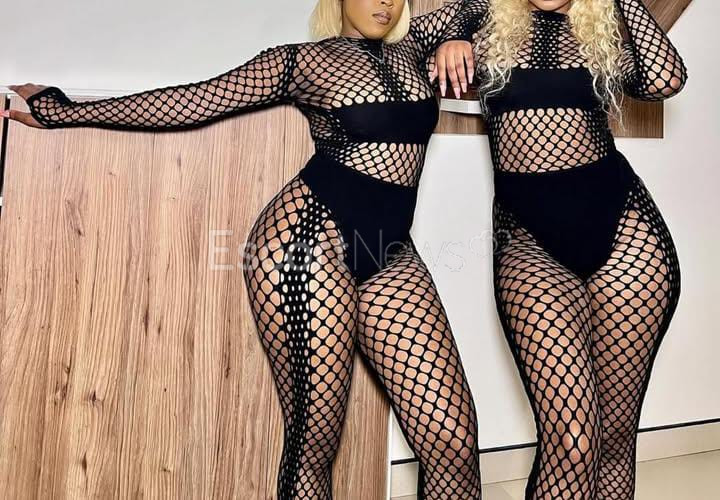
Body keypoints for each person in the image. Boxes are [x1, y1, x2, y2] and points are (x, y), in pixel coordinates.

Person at [4, 1, 489, 498]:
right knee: (314, 445)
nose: (385, 1)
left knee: (452, 439)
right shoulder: (303, 61)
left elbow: (481, 7)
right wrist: (64, 111)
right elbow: (194, 101)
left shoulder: (418, 42)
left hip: (387, 249)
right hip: (307, 244)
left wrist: (457, 40)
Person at [431, 0, 686, 498]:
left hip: (626, 233)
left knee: (615, 439)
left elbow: (664, 81)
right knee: (572, 443)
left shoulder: (601, 31)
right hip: (529, 240)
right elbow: (394, 40)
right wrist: (449, 39)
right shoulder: (483, 16)